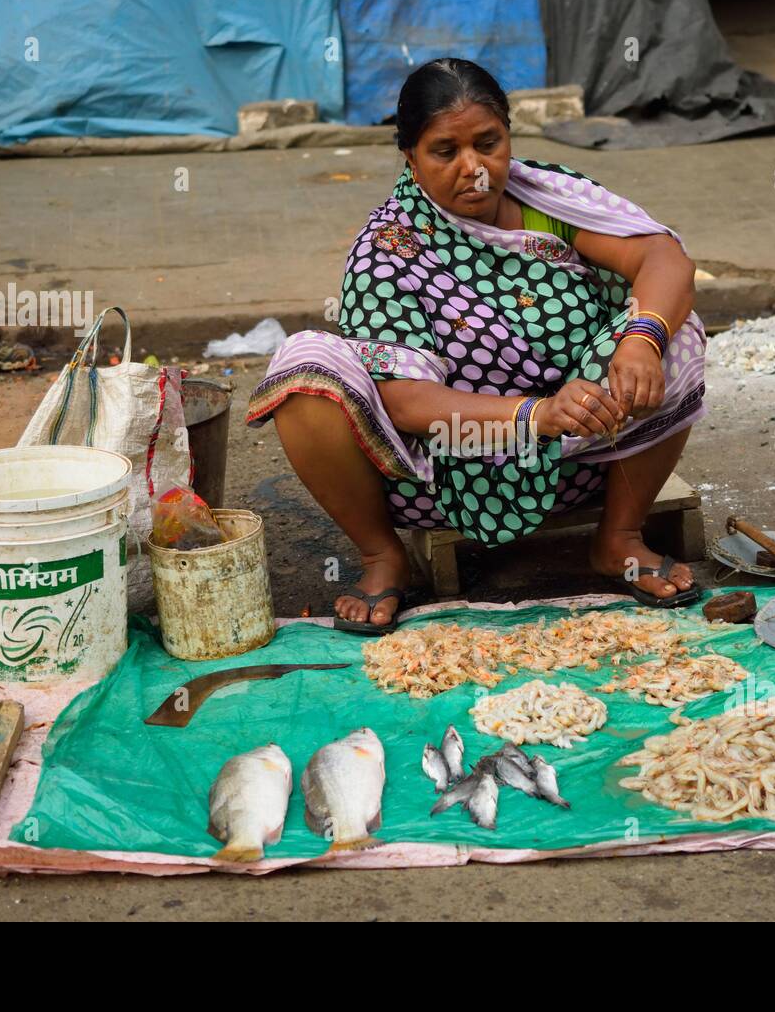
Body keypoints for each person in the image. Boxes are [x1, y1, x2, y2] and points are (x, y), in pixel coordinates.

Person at [247, 58, 707, 633]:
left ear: (509, 135)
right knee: (305, 371)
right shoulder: (387, 250)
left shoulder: (551, 198)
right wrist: (535, 415)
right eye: (445, 152)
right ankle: (382, 556)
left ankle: (618, 535)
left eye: (488, 144)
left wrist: (642, 340)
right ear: (410, 156)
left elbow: (663, 258)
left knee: (674, 331)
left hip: (584, 456)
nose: (475, 169)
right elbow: (406, 401)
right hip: (442, 477)